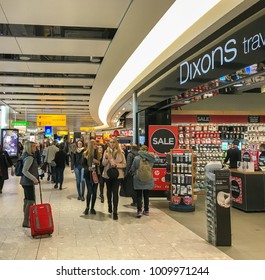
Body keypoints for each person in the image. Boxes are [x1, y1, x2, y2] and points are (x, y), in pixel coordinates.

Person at [102, 138, 126, 220]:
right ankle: (109, 205)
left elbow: (124, 164)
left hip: (117, 175)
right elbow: (103, 164)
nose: (112, 144)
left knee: (115, 192)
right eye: (110, 142)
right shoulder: (106, 152)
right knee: (109, 191)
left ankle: (115, 211)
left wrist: (116, 165)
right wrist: (106, 159)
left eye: (113, 142)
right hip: (108, 175)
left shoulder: (121, 153)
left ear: (116, 143)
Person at [130, 145, 155, 218]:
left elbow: (133, 168)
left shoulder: (136, 158)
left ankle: (139, 211)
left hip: (138, 178)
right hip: (148, 178)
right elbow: (151, 167)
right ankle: (146, 210)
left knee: (139, 195)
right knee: (146, 195)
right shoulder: (151, 158)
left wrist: (132, 173)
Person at [20, 141, 39, 228]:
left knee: (27, 200)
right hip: (28, 182)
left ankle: (26, 219)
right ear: (30, 148)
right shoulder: (29, 158)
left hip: (25, 182)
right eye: (34, 146)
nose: (35, 148)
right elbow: (25, 170)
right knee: (31, 200)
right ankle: (26, 221)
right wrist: (34, 178)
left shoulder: (25, 155)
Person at [82, 140, 100, 215]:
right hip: (88, 175)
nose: (96, 145)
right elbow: (83, 164)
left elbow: (101, 164)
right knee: (89, 191)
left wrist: (98, 163)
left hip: (96, 174)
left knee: (95, 192)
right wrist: (88, 168)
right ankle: (87, 207)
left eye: (96, 144)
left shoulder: (98, 154)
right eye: (94, 144)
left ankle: (92, 207)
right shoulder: (85, 154)